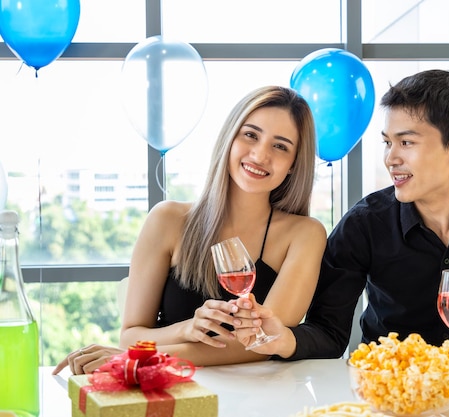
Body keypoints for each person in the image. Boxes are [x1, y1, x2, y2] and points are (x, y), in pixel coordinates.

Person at [234, 69, 449, 361]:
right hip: (388, 392)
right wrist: (286, 339)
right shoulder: (365, 223)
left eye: (407, 143)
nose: (390, 158)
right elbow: (328, 332)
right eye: (388, 142)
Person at [53, 85, 327, 374]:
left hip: (257, 398)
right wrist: (186, 329)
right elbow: (130, 334)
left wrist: (139, 358)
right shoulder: (167, 219)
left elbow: (261, 346)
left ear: (295, 164)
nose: (260, 155)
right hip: (171, 392)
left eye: (280, 146)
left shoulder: (305, 235)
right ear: (230, 138)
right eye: (251, 135)